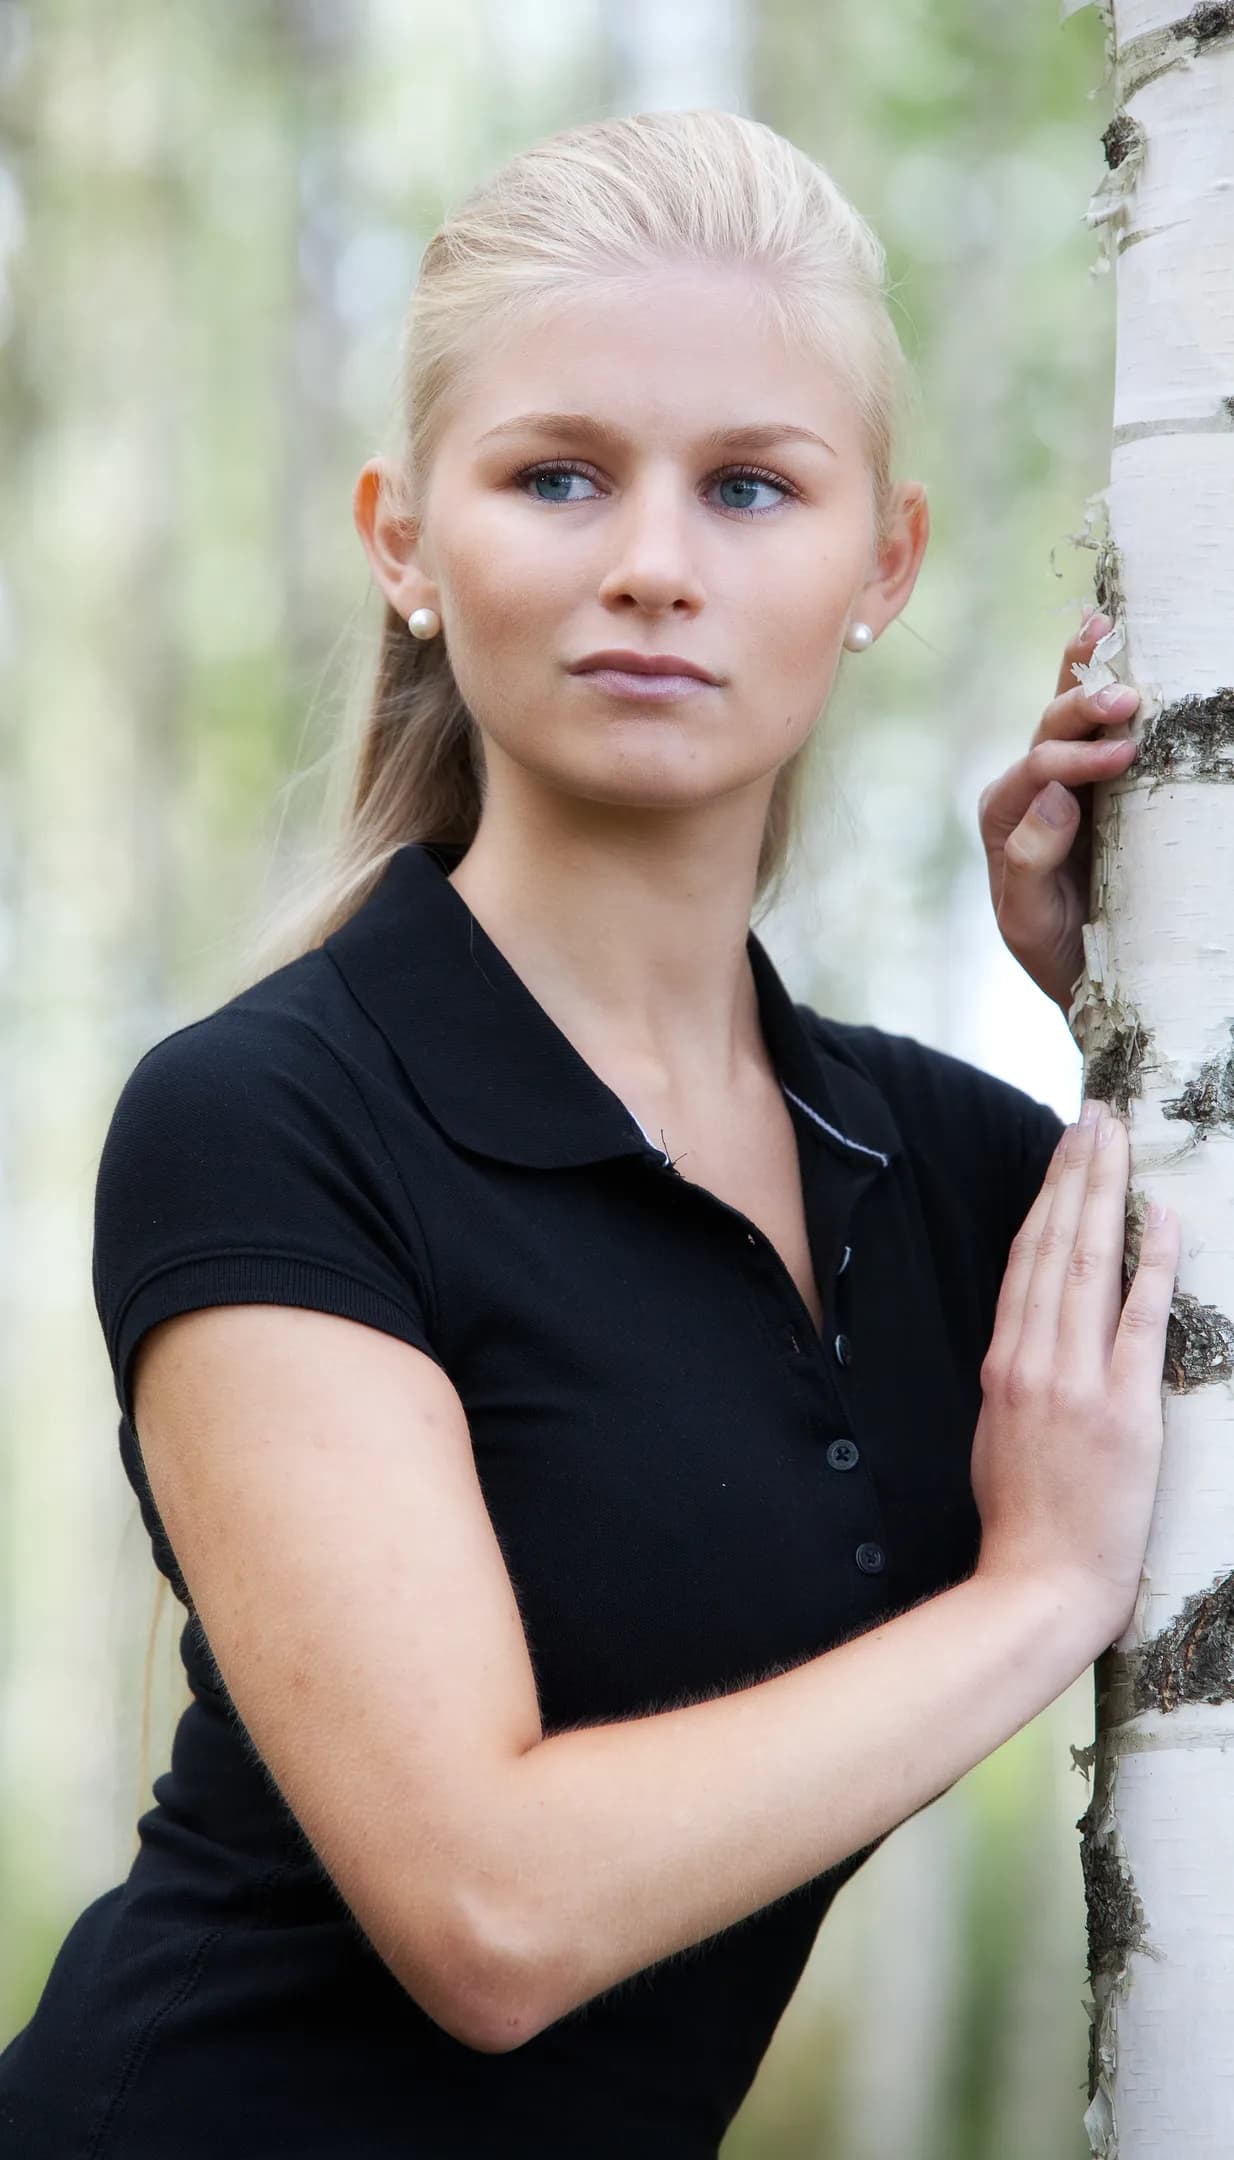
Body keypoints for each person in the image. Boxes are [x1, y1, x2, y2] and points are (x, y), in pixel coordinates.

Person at [0, 108, 1176, 2159]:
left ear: (879, 561)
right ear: (403, 542)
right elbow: (488, 1909)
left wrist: (1127, 1020)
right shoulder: (269, 1119)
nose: (652, 562)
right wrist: (1032, 1597)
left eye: (746, 486)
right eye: (558, 476)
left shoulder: (949, 1172)